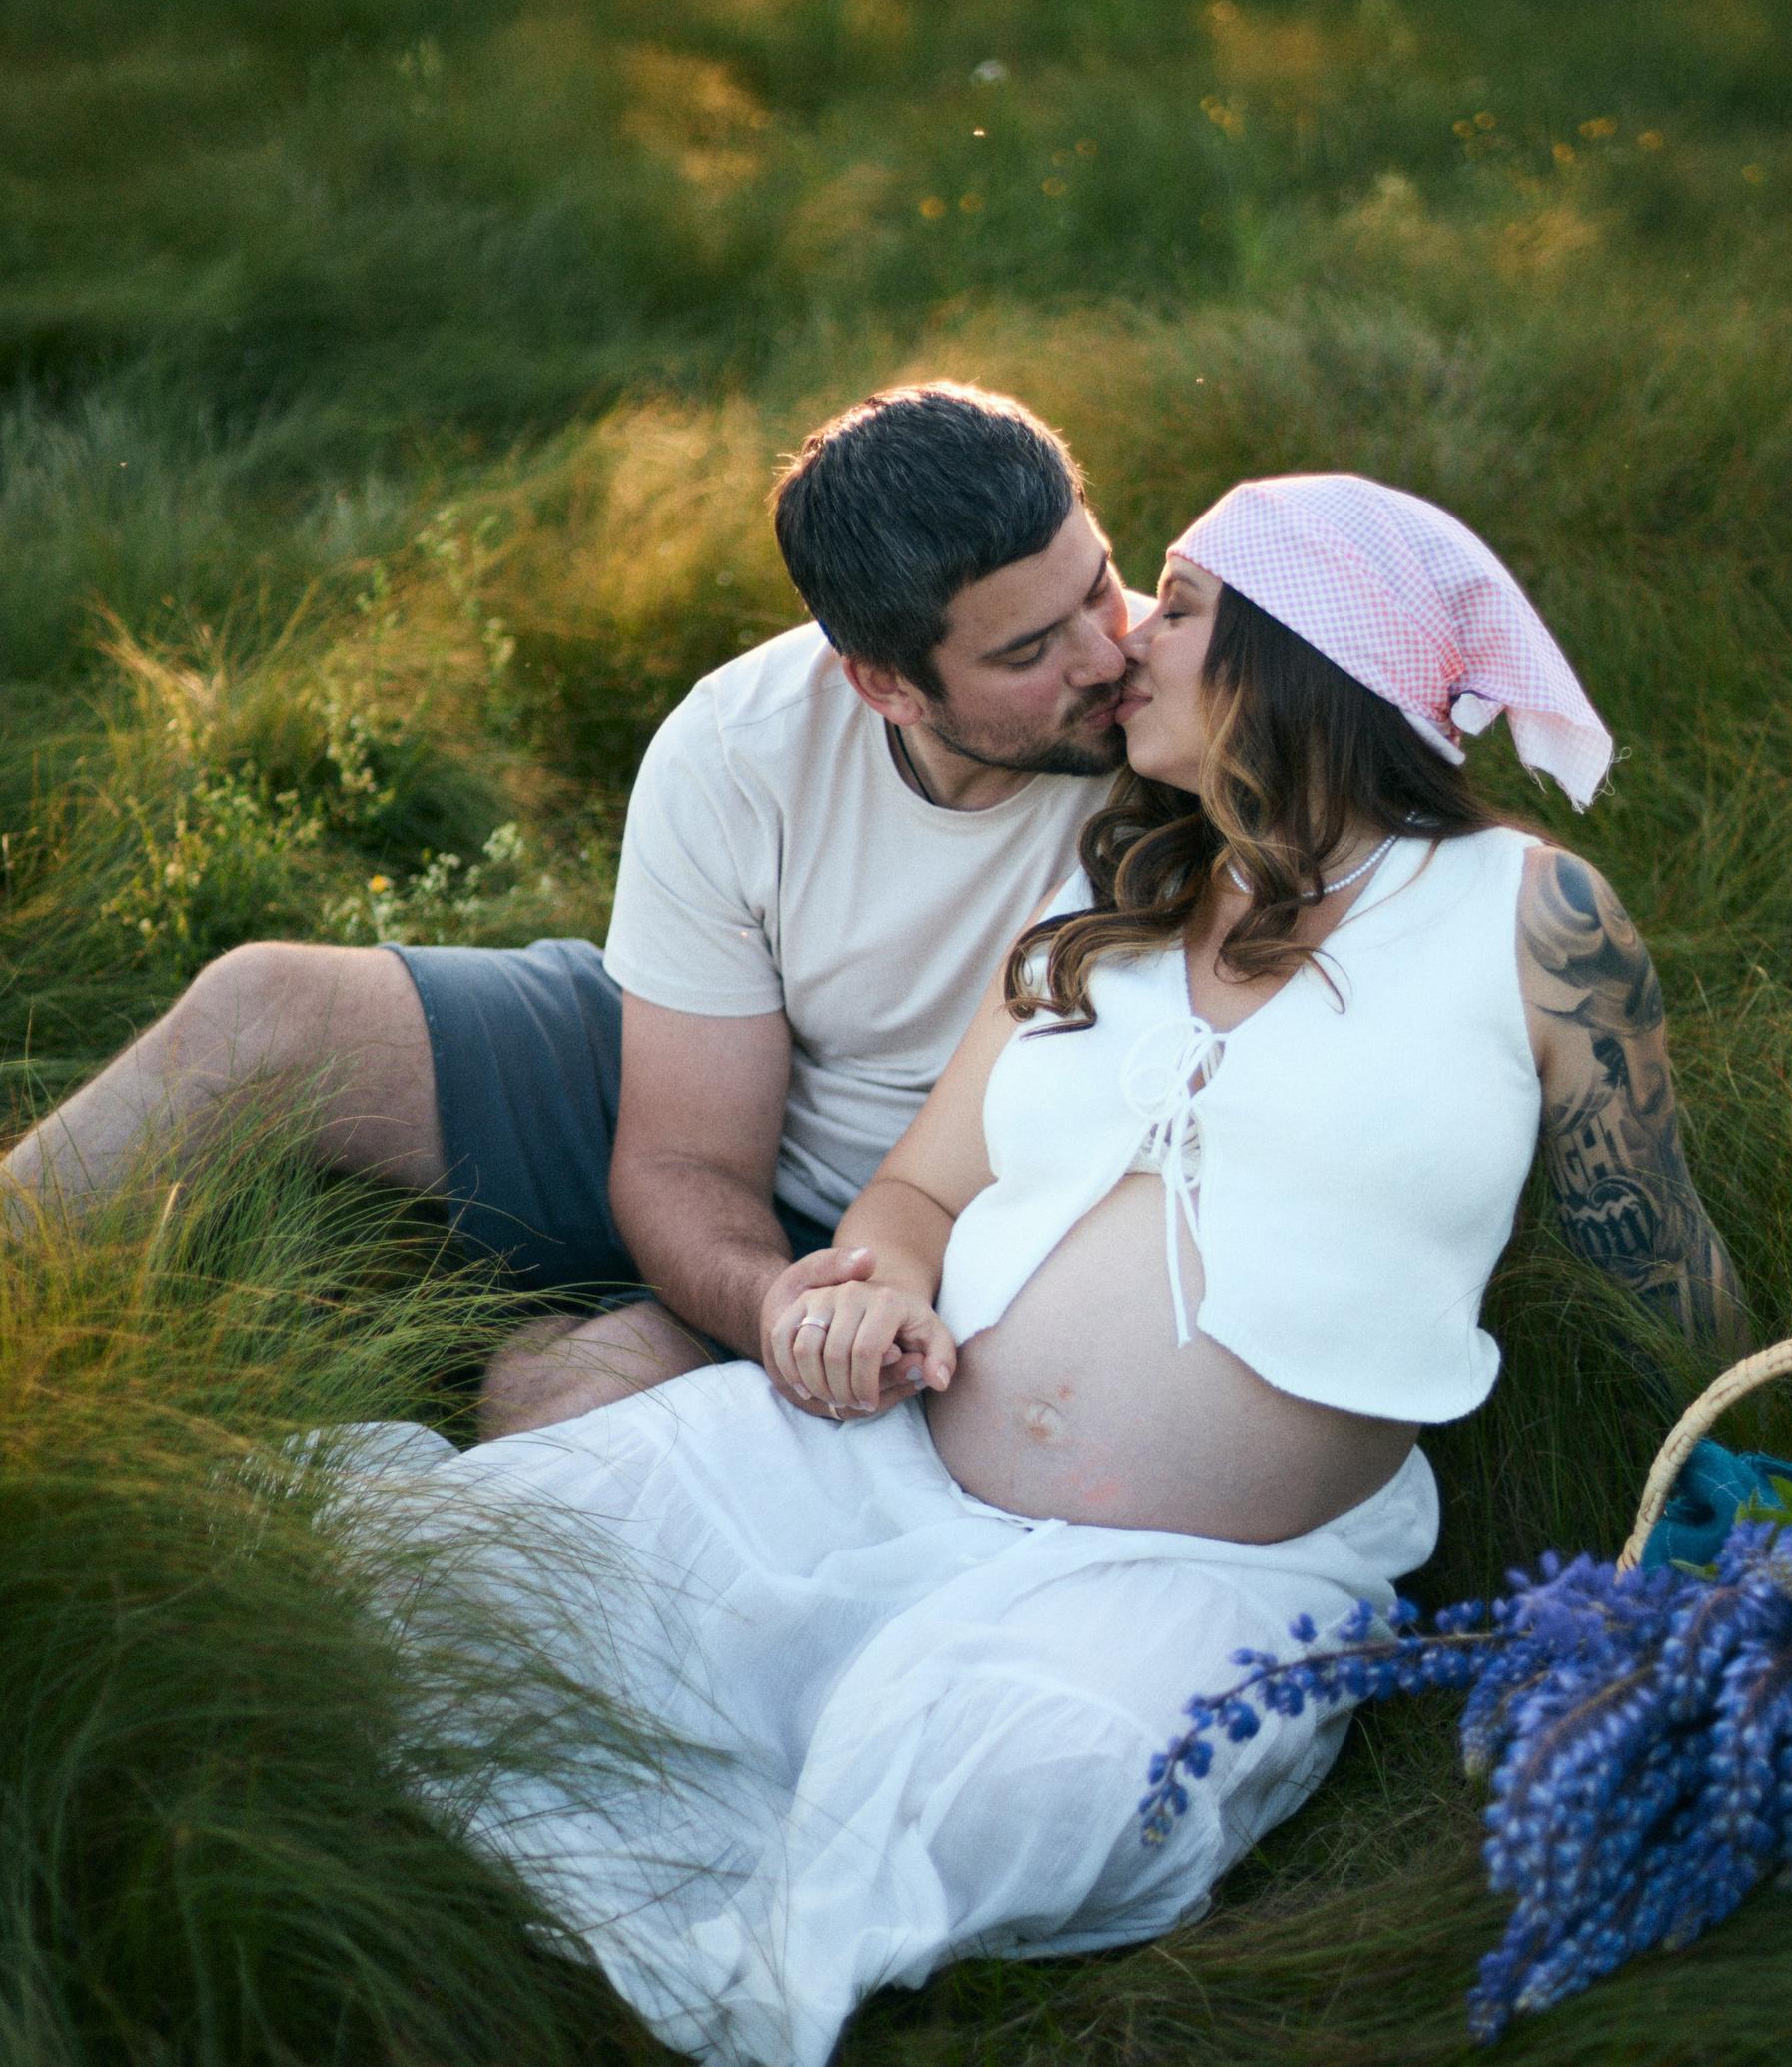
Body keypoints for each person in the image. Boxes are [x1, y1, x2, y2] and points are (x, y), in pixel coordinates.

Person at [361, 473, 1746, 2067]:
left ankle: (758, 1925)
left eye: (1178, 604)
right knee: (476, 1575)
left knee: (1014, 1783)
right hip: (896, 1462)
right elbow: (918, 1192)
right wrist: (869, 1287)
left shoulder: (1528, 914)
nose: (1128, 641)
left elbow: (1659, 1253)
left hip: (1213, 1570)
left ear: (1309, 649)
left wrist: (1783, 1499)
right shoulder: (1121, 885)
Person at [0, 384, 1133, 1435]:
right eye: (1029, 650)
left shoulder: (1183, 720)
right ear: (884, 684)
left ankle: (568, 1346)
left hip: (955, 1221)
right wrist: (769, 1303)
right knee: (262, 1009)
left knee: (563, 1402)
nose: (1103, 657)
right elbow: (685, 1158)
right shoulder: (743, 750)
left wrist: (830, 1312)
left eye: (1098, 587)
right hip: (724, 1110)